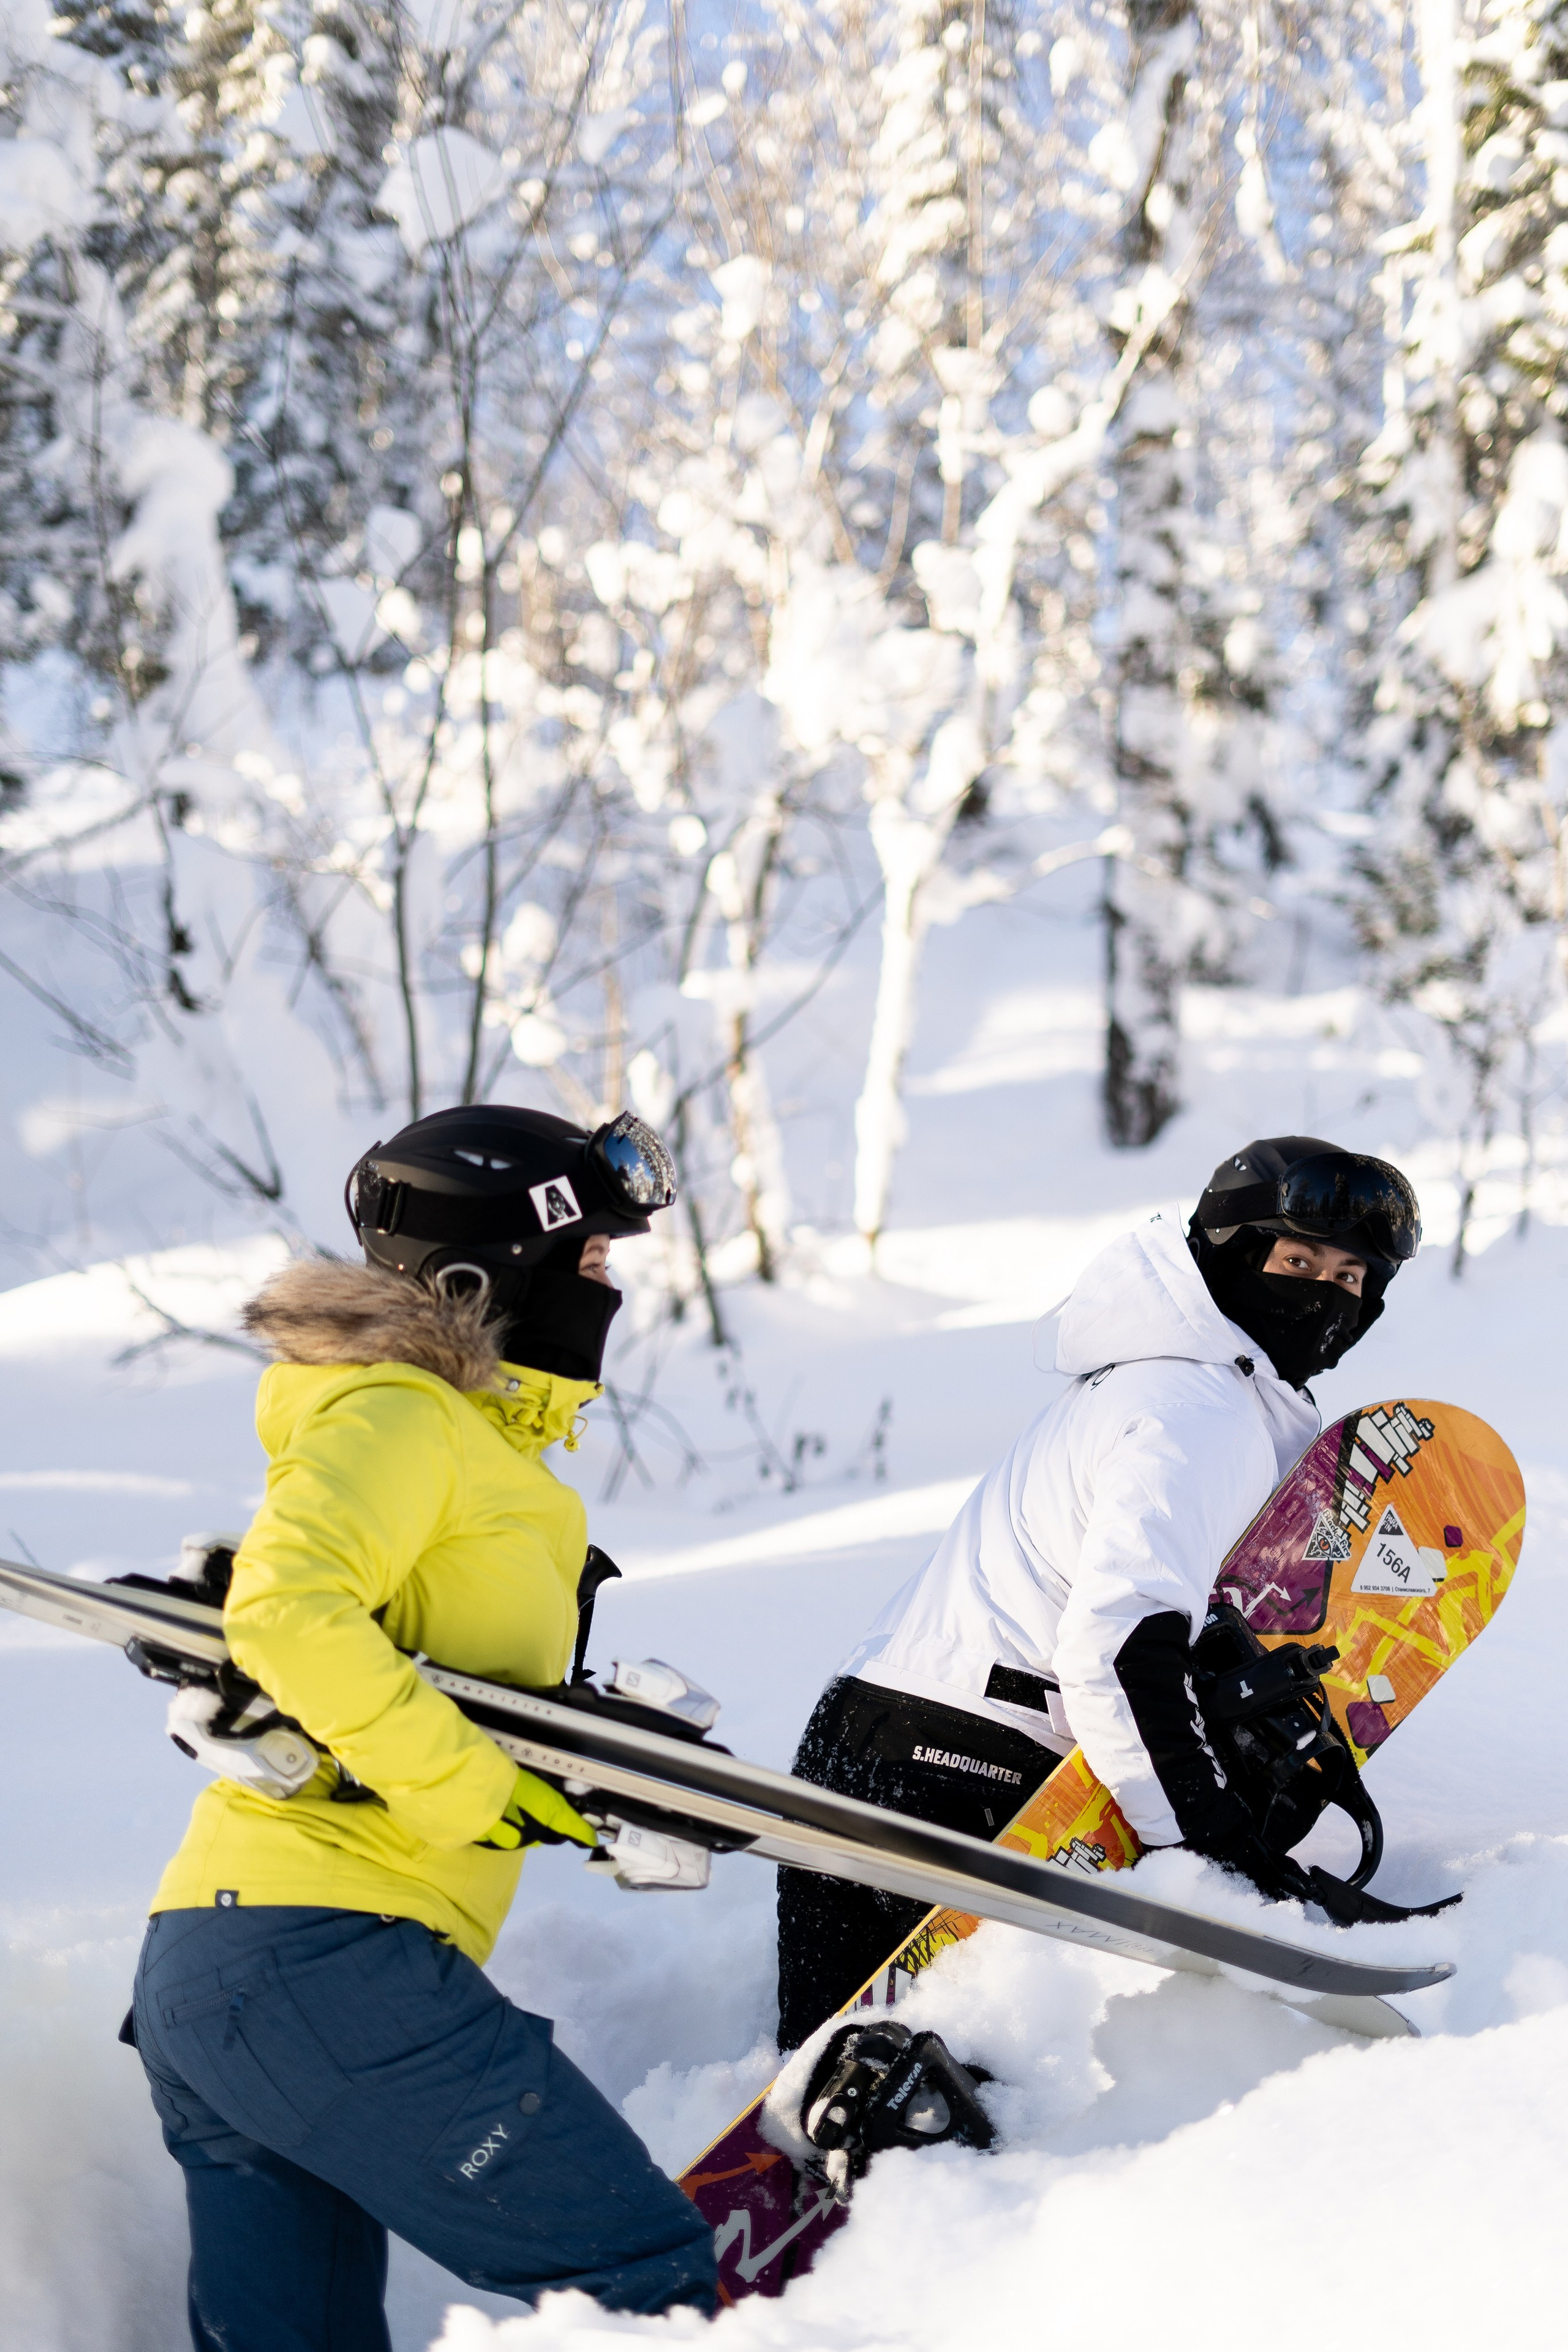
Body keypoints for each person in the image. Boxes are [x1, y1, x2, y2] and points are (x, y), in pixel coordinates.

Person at [129, 1104, 718, 2351]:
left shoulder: (476, 1453)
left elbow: (401, 1659)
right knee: (646, 2282)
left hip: (230, 1972)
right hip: (323, 1961)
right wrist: (467, 1785)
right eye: (589, 1257)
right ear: (483, 1272)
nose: (605, 1283)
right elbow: (286, 1612)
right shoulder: (399, 1415)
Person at [775, 1135, 1422, 2052]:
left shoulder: (1165, 1382)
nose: (1326, 1293)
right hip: (962, 1768)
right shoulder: (1195, 1408)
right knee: (922, 2104)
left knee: (844, 2104)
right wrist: (1207, 1843)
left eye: (1352, 1277)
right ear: (1234, 1258)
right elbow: (1120, 1645)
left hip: (883, 1737)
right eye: (1298, 1261)